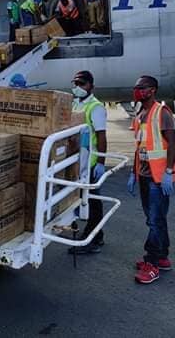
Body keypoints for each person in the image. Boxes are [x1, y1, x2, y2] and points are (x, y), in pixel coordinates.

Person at [127, 75, 175, 284]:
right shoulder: (140, 114)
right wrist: (133, 172)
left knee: (155, 220)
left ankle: (152, 262)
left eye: (142, 87)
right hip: (144, 174)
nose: (138, 90)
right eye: (136, 87)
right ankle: (163, 256)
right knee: (155, 218)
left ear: (153, 90)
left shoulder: (161, 112)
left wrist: (168, 172)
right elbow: (140, 147)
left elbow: (172, 143)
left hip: (158, 177)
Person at [68, 70, 108, 255]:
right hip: (78, 161)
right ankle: (90, 236)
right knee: (81, 200)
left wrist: (101, 161)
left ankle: (94, 239)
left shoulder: (96, 107)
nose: (78, 87)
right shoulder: (76, 104)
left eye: (82, 84)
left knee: (92, 201)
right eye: (75, 83)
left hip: (90, 162)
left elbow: (101, 136)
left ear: (91, 86)